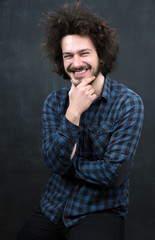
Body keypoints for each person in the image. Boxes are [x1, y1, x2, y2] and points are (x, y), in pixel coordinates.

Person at [16, 1, 144, 239]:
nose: (76, 63)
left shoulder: (128, 103)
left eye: (84, 53)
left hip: (99, 212)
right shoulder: (54, 102)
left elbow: (113, 174)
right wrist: (73, 111)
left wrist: (67, 165)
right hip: (52, 207)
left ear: (101, 56)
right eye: (68, 56)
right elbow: (54, 162)